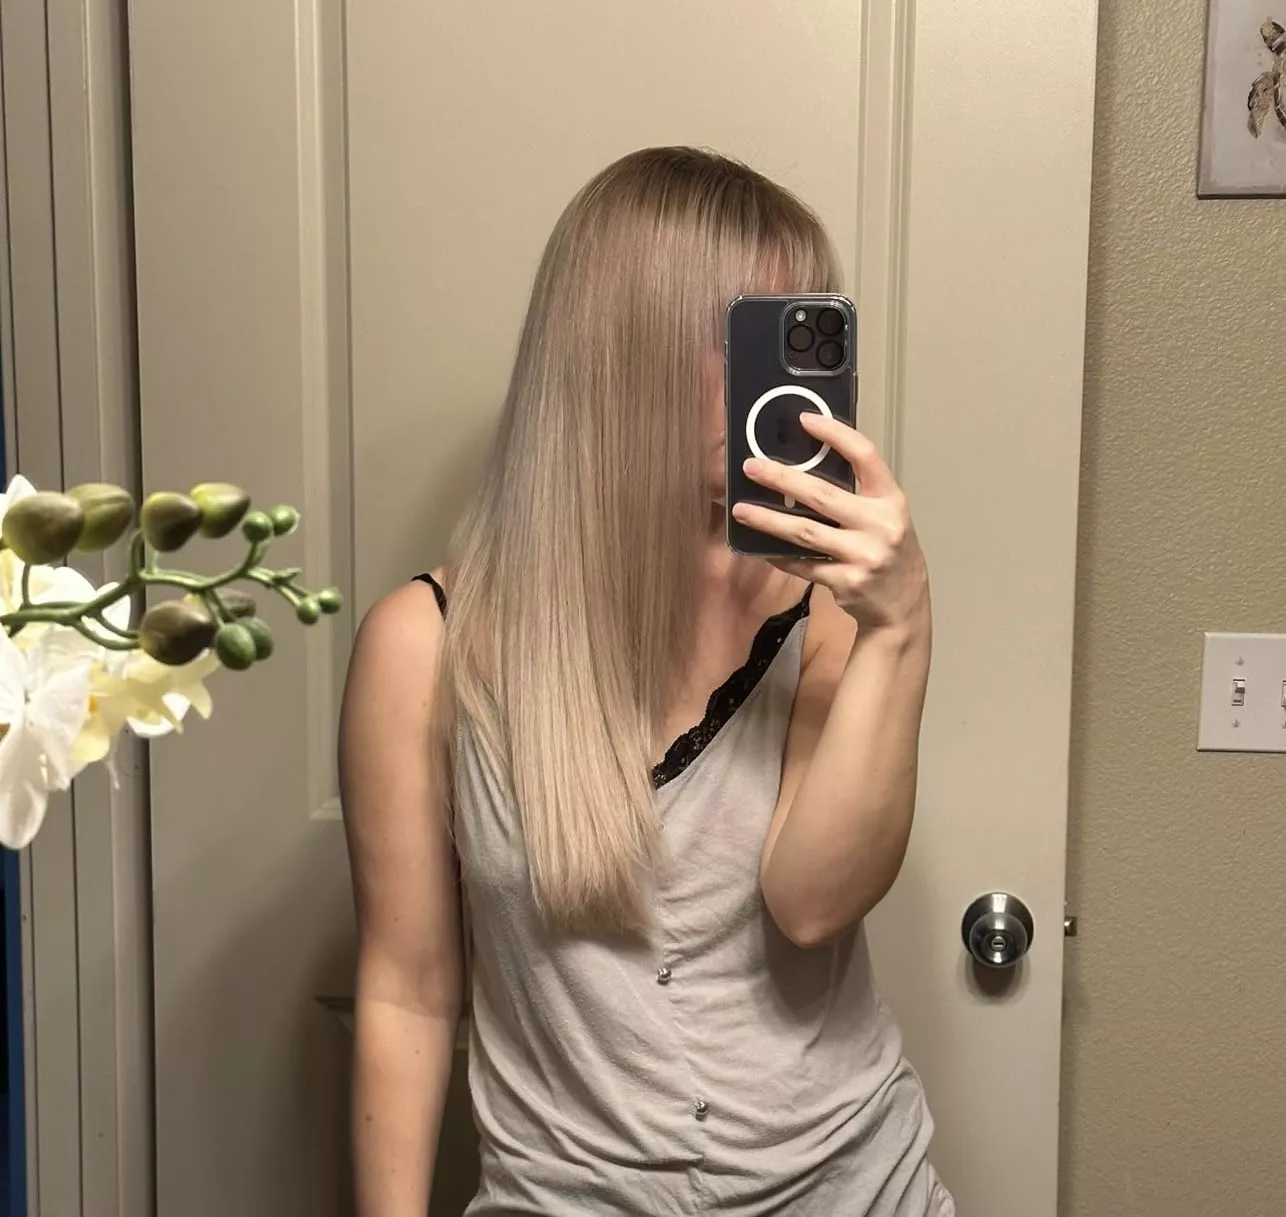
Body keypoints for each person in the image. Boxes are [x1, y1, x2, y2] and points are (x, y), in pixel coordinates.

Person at [339, 146, 952, 1216]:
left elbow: (812, 905)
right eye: (744, 336)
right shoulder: (425, 646)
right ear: (615, 352)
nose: (782, 381)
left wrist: (900, 629)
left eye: (796, 330)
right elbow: (408, 990)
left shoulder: (825, 612)